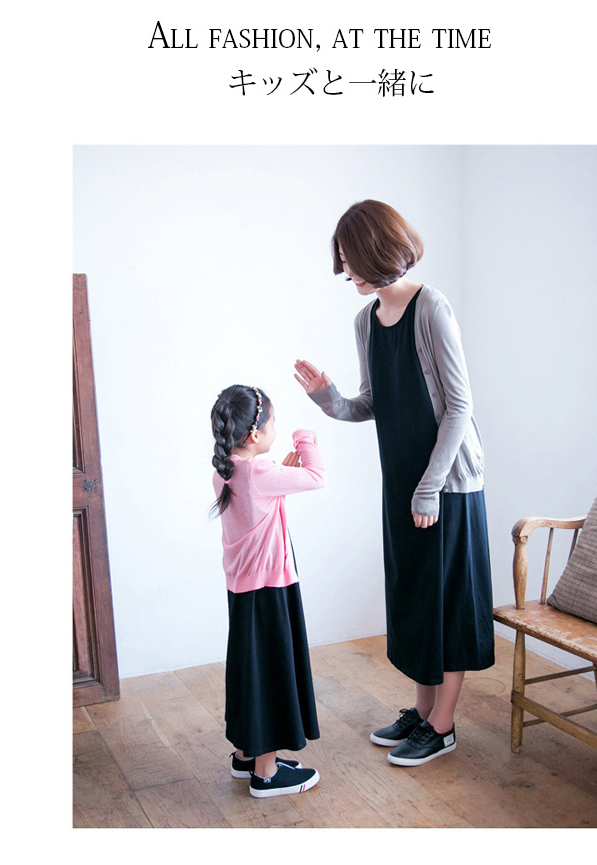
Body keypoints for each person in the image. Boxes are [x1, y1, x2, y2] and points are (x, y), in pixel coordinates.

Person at [295, 200, 494, 767]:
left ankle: (443, 725)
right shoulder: (365, 321)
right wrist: (328, 399)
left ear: (378, 250)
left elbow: (459, 407)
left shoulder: (432, 307)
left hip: (446, 485)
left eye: (351, 257)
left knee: (447, 604)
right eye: (342, 259)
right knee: (415, 599)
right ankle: (423, 711)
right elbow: (370, 403)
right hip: (404, 482)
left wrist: (429, 487)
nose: (345, 269)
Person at [210, 384, 326, 797]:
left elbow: (260, 499)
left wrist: (279, 471)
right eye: (273, 423)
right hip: (270, 588)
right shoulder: (259, 473)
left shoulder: (226, 471)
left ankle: (246, 754)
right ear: (255, 434)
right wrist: (305, 438)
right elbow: (318, 476)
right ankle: (267, 772)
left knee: (250, 668)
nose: (276, 429)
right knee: (272, 672)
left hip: (243, 590)